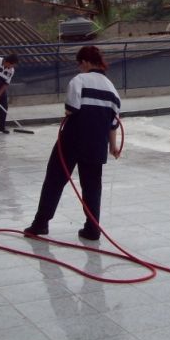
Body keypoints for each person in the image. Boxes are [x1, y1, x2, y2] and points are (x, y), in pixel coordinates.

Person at [24, 46, 122, 241]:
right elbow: (113, 123)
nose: (79, 68)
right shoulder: (112, 89)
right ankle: (92, 230)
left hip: (72, 139)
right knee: (92, 186)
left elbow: (71, 109)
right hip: (97, 143)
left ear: (85, 62)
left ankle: (40, 224)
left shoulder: (79, 80)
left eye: (80, 64)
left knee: (55, 180)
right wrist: (113, 146)